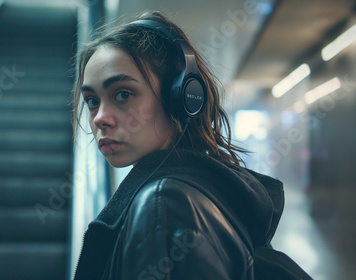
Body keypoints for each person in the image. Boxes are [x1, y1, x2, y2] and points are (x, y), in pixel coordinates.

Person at [71, 11, 312, 280]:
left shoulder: (163, 203)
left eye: (123, 94)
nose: (100, 117)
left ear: (181, 98)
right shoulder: (200, 189)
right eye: (92, 101)